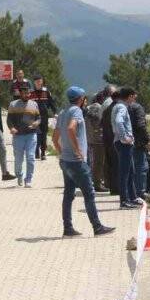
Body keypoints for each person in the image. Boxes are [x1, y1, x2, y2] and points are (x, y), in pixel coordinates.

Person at [52, 86, 116, 238]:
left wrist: (62, 152)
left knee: (68, 194)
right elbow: (71, 128)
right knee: (89, 194)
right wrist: (78, 151)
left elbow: (55, 138)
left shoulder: (62, 112)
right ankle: (97, 227)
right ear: (81, 99)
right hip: (76, 162)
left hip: (65, 160)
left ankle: (68, 228)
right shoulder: (76, 111)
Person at [111, 88, 141, 209]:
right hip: (124, 144)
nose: (135, 99)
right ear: (129, 96)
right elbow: (119, 121)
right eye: (134, 96)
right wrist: (124, 137)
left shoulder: (118, 106)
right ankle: (124, 200)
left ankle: (132, 197)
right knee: (124, 173)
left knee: (130, 171)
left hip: (122, 143)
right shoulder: (122, 107)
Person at [7, 85, 40, 187]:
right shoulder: (13, 105)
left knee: (30, 158)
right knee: (18, 159)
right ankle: (19, 175)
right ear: (20, 94)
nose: (26, 95)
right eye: (24, 93)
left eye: (28, 93)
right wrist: (11, 128)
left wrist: (36, 123)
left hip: (31, 134)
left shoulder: (34, 104)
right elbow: (9, 120)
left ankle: (28, 179)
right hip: (18, 136)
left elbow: (39, 118)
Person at [84, 94, 109, 192]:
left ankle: (97, 181)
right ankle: (97, 184)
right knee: (98, 162)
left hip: (91, 139)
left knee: (94, 161)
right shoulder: (97, 108)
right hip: (98, 140)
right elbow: (97, 124)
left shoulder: (90, 108)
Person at [128, 95, 150, 200]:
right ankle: (140, 193)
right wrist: (146, 140)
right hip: (138, 143)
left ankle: (130, 193)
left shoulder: (123, 107)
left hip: (127, 142)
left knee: (130, 169)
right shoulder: (137, 108)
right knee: (141, 167)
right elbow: (141, 125)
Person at [29, 75, 56, 161]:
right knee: (36, 134)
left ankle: (43, 152)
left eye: (40, 81)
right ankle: (36, 150)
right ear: (34, 82)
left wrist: (55, 112)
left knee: (44, 134)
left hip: (44, 116)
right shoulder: (31, 92)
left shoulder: (46, 91)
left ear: (42, 81)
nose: (38, 82)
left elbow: (51, 102)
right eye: (36, 81)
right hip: (34, 116)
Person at [100, 86, 119, 195]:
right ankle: (117, 189)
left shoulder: (106, 108)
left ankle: (112, 187)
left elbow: (101, 123)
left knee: (110, 164)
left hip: (107, 139)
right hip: (114, 140)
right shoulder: (115, 108)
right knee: (116, 165)